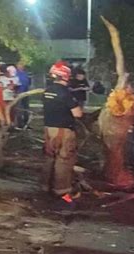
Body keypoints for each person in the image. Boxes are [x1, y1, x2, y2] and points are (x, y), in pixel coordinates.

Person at [42, 60, 83, 203]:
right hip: (64, 131)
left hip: (48, 131)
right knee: (63, 160)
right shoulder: (65, 93)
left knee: (49, 158)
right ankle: (62, 191)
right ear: (66, 76)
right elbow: (78, 114)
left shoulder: (47, 91)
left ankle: (45, 186)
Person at [15, 62, 31, 129]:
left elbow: (28, 82)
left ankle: (26, 123)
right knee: (19, 109)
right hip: (19, 93)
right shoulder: (15, 74)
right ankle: (19, 124)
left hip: (26, 93)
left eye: (22, 65)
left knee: (26, 108)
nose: (21, 66)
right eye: (20, 65)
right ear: (17, 66)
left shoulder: (25, 73)